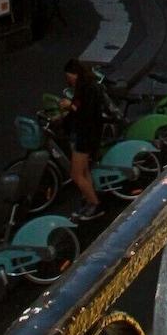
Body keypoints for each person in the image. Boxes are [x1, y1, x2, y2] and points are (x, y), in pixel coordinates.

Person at [56, 60, 104, 222]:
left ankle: (94, 203)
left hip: (85, 136)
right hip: (85, 134)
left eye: (69, 76)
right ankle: (89, 199)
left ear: (75, 74)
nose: (68, 80)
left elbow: (85, 112)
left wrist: (70, 106)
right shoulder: (85, 87)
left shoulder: (88, 89)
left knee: (76, 174)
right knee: (84, 172)